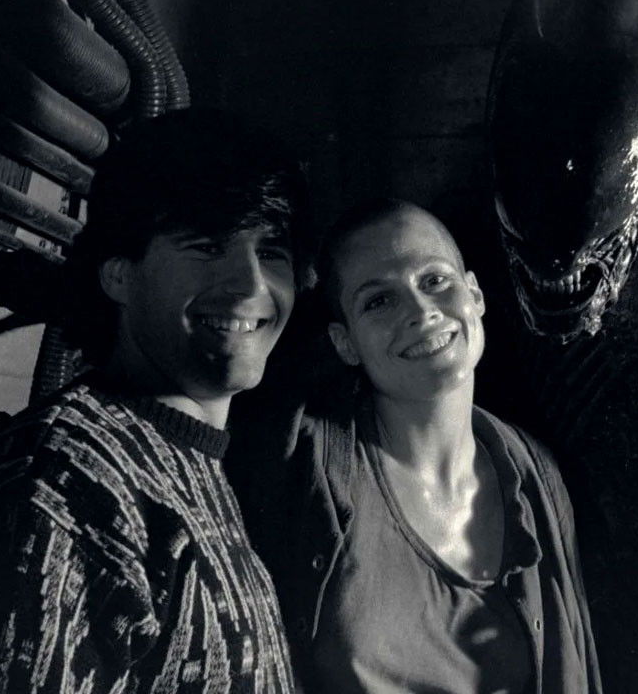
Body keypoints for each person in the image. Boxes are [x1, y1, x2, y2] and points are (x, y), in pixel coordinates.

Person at [0, 110, 306, 694]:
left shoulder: (181, 457)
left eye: (271, 252)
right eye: (207, 246)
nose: (251, 285)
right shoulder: (59, 490)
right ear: (119, 274)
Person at [235, 199, 601, 694]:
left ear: (474, 295)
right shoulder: (302, 465)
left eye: (434, 280)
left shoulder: (535, 476)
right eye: (378, 301)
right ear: (345, 342)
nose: (421, 311)